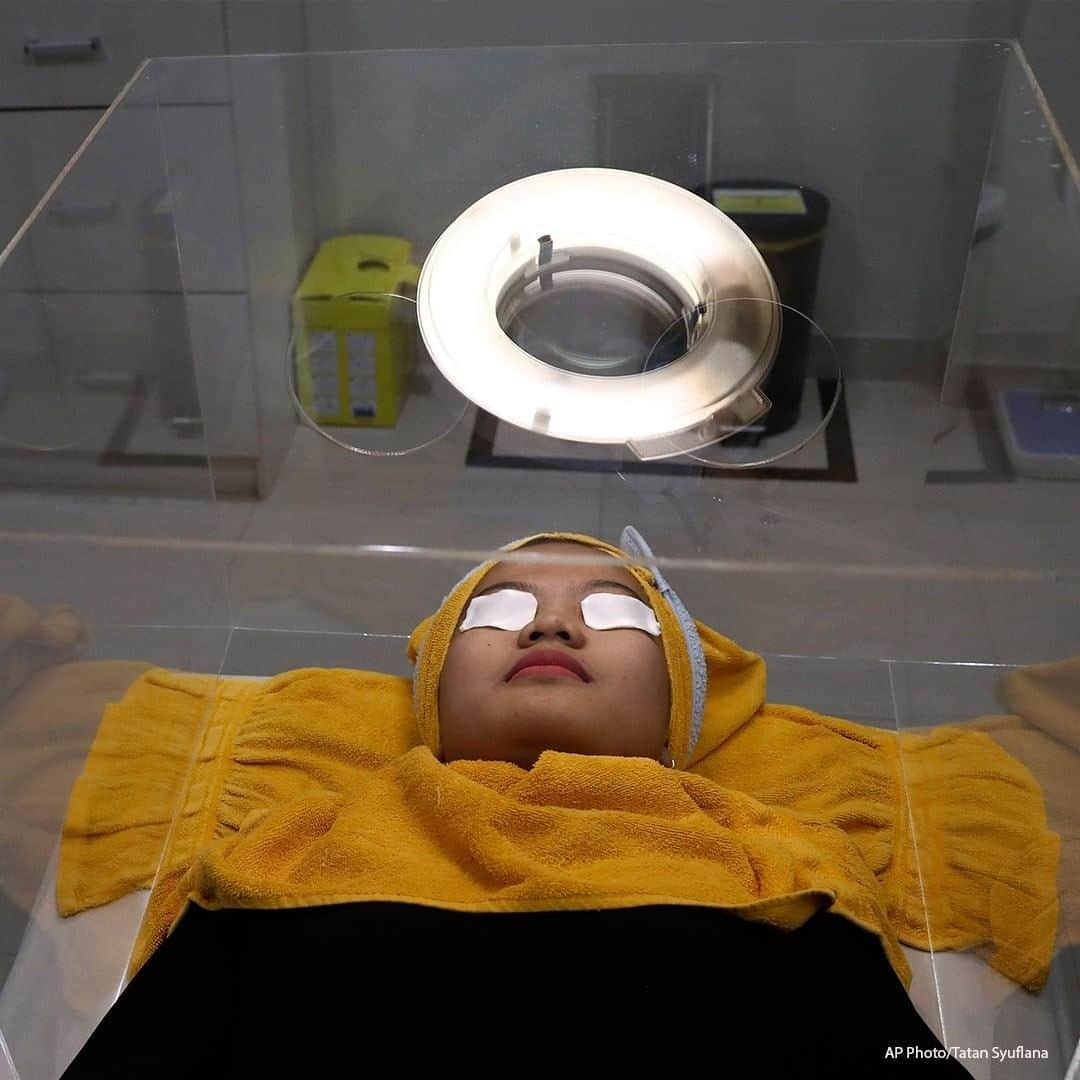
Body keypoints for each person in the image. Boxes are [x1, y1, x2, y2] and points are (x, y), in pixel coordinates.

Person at [63, 529, 1054, 1078]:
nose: (549, 621)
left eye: (616, 611)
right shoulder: (292, 846)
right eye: (495, 610)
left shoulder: (779, 855)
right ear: (431, 697)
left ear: (679, 706)